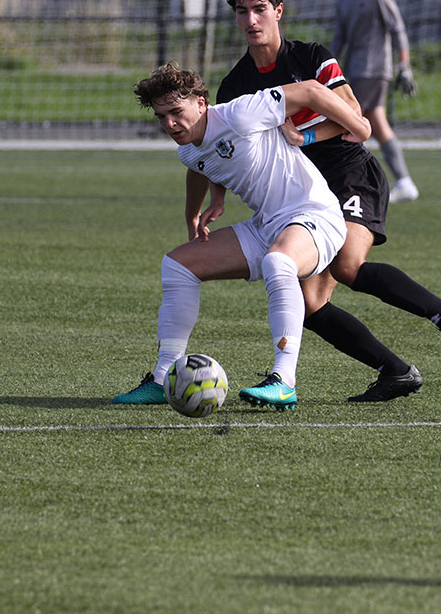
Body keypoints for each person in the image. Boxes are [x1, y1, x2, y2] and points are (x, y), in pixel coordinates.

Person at [204, 0, 441, 402]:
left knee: (348, 266)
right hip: (304, 193)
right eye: (242, 11)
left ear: (278, 10)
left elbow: (356, 118)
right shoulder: (236, 85)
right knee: (310, 304)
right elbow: (219, 146)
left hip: (349, 174)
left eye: (259, 9)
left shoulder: (311, 57)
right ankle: (395, 371)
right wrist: (216, 198)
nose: (251, 20)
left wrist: (306, 136)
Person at [111, 63, 371, 411]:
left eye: (176, 112)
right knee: (177, 265)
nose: (170, 124)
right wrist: (202, 208)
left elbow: (310, 89)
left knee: (278, 262)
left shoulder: (240, 113)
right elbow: (200, 163)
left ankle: (284, 381)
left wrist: (359, 126)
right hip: (267, 225)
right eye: (161, 117)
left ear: (201, 103)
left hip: (315, 216)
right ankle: (162, 379)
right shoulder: (187, 147)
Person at [331, 0, 419, 203]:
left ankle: (359, 187)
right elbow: (339, 39)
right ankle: (404, 182)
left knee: (349, 125)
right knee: (377, 125)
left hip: (374, 70)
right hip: (354, 72)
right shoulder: (343, 0)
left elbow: (398, 30)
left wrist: (404, 67)